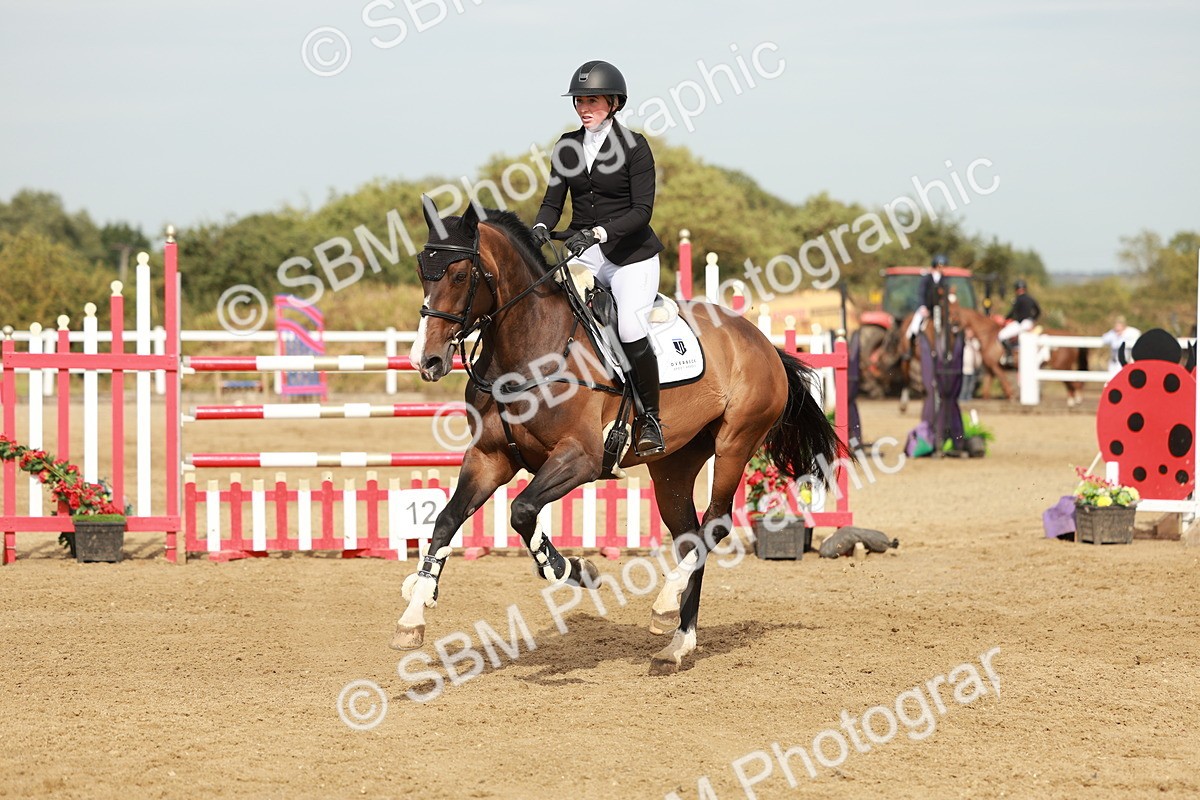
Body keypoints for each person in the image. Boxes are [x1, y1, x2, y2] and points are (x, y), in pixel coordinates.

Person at [530, 60, 665, 456]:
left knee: (628, 329)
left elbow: (642, 210)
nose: (583, 107)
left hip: (630, 258)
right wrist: (539, 228)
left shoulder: (635, 147)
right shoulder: (567, 145)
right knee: (549, 314)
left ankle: (652, 418)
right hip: (584, 255)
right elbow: (553, 202)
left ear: (613, 102)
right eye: (579, 100)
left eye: (591, 100)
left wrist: (600, 232)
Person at [997, 279, 1041, 353]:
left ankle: (1009, 355)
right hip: (1029, 323)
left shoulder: (1018, 299)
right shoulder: (1031, 299)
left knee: (1001, 335)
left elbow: (1013, 312)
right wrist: (1033, 319)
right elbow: (1038, 311)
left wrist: (1005, 319)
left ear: (1016, 290)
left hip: (1020, 323)